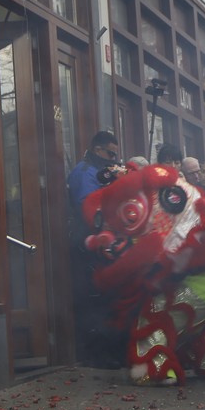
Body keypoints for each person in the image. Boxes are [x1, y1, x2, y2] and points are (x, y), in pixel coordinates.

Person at [67, 130, 123, 369]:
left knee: (108, 297)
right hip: (86, 242)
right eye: (110, 154)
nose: (113, 159)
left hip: (105, 241)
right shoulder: (84, 172)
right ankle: (95, 353)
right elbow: (90, 210)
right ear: (98, 149)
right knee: (94, 298)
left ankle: (112, 349)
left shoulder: (103, 171)